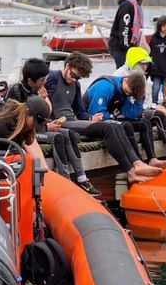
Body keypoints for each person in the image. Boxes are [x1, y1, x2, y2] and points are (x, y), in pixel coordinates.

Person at [44, 52, 161, 185]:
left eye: (79, 78)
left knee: (117, 125)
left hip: (73, 120)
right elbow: (37, 93)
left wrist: (91, 118)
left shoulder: (75, 85)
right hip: (60, 123)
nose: (75, 79)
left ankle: (137, 164)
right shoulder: (53, 77)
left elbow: (80, 112)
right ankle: (131, 171)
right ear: (66, 66)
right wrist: (45, 123)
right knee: (108, 128)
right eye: (74, 75)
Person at [6, 58, 100, 196]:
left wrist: (44, 98)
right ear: (31, 80)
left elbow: (47, 112)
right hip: (24, 133)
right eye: (42, 80)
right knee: (58, 137)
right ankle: (64, 179)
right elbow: (19, 122)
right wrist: (47, 127)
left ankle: (81, 177)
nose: (44, 83)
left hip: (37, 128)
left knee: (68, 134)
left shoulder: (36, 90)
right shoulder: (16, 92)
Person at [85, 72, 166, 166]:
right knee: (127, 125)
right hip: (90, 120)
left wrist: (139, 98)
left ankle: (152, 159)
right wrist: (112, 117)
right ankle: (138, 163)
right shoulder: (105, 86)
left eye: (130, 94)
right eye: (127, 91)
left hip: (109, 118)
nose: (128, 94)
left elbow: (130, 114)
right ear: (125, 80)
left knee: (144, 124)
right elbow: (96, 114)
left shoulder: (126, 90)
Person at [108, 0, 149, 69]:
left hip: (126, 46)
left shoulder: (134, 6)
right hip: (119, 46)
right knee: (123, 71)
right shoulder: (127, 6)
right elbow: (124, 29)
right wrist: (126, 47)